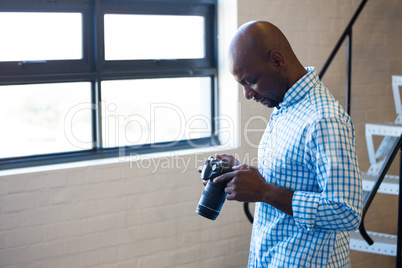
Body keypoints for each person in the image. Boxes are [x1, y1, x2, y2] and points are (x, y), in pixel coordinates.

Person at [199, 21, 363, 267]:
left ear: (277, 61)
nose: (247, 94)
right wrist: (240, 173)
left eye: (250, 81)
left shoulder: (325, 119)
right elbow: (292, 177)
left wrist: (264, 191)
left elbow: (346, 212)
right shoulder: (285, 106)